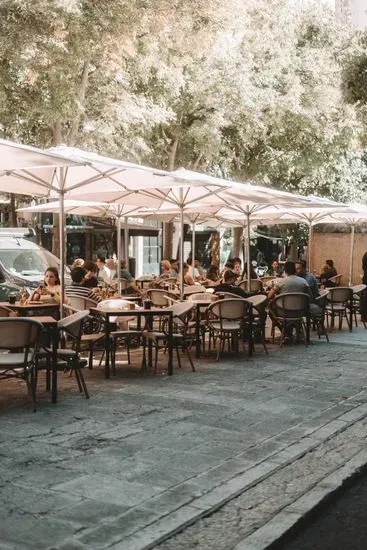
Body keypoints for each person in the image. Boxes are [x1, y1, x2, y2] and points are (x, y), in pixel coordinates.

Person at [267, 261, 313, 342]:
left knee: (271, 310)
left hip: (284, 312)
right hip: (300, 312)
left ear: (285, 270)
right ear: (295, 270)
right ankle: (291, 332)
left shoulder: (281, 282)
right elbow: (310, 297)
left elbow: (269, 296)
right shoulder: (303, 281)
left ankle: (286, 333)